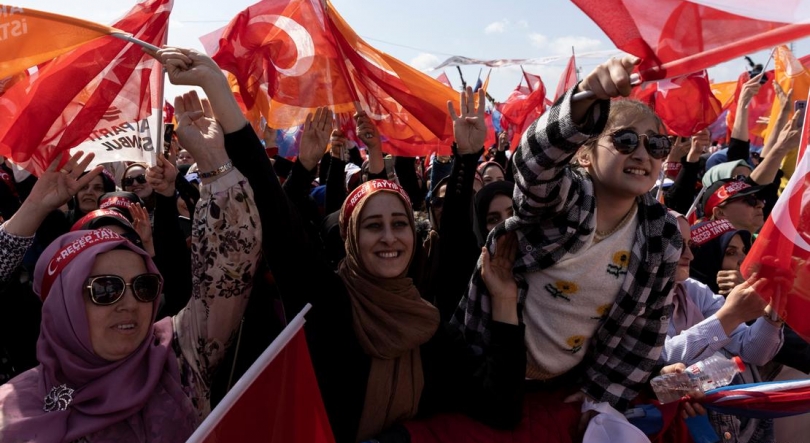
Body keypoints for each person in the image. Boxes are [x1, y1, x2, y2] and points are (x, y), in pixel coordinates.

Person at [0, 68, 263, 441]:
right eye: (104, 289)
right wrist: (31, 211)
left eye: (143, 286)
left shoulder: (178, 355)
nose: (129, 304)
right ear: (63, 305)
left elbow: (231, 265)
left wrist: (213, 162)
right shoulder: (12, 409)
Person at [454, 55, 683, 427]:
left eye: (657, 144)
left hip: (566, 385)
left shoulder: (663, 236)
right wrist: (584, 97)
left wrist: (602, 391)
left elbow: (647, 328)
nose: (642, 153)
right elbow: (533, 164)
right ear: (584, 153)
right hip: (487, 364)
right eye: (625, 140)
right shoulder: (567, 198)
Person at [665, 213, 783, 443]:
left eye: (691, 246)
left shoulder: (693, 290)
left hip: (747, 423)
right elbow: (659, 361)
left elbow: (754, 353)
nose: (689, 255)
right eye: (678, 245)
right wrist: (730, 316)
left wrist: (774, 311)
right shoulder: (630, 295)